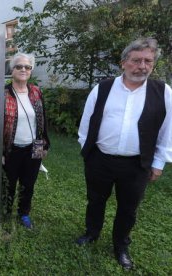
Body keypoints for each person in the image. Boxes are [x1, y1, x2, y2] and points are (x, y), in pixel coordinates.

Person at [76, 38, 172, 269]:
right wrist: (87, 151)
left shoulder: (163, 92)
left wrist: (158, 162)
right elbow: (86, 123)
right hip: (100, 159)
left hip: (136, 164)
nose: (142, 66)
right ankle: (92, 233)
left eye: (148, 61)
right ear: (123, 63)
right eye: (136, 60)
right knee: (96, 200)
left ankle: (121, 246)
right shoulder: (103, 88)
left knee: (128, 208)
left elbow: (168, 129)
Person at [2, 53, 50, 229]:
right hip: (10, 148)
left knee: (28, 183)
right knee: (8, 183)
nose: (23, 69)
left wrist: (45, 143)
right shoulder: (3, 93)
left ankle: (24, 213)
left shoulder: (36, 91)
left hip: (35, 146)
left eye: (27, 67)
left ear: (31, 71)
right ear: (12, 70)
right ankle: (5, 213)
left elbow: (42, 118)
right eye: (19, 66)